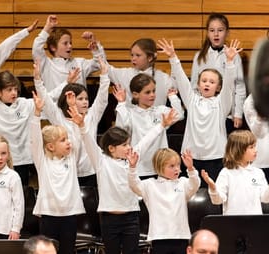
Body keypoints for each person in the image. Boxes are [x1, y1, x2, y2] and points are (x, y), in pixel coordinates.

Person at [69, 97, 177, 254]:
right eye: (124, 145)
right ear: (111, 148)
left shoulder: (132, 156)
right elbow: (88, 140)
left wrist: (162, 125)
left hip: (131, 217)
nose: (129, 147)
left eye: (129, 143)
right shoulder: (101, 160)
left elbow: (147, 140)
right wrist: (81, 125)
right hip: (108, 218)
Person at [157, 37, 240, 185]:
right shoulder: (192, 100)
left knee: (215, 196)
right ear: (198, 84)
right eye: (204, 81)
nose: (207, 84)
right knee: (191, 197)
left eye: (212, 82)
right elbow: (182, 81)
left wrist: (229, 61)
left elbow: (229, 85)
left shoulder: (222, 103)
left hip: (216, 158)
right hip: (191, 157)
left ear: (218, 87)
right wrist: (172, 57)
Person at [30, 74, 85, 254]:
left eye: (67, 139)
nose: (68, 143)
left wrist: (72, 109)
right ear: (51, 146)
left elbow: (77, 136)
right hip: (48, 215)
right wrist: (37, 114)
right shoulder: (43, 161)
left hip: (69, 215)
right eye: (63, 140)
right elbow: (35, 140)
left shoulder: (71, 157)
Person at [34, 56, 109, 186]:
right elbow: (45, 99)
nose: (85, 102)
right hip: (68, 170)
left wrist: (104, 75)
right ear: (68, 99)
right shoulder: (59, 117)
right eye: (80, 99)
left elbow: (102, 98)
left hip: (91, 171)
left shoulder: (92, 115)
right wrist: (37, 80)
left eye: (86, 99)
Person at [127, 148, 200, 253]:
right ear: (159, 167)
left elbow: (195, 184)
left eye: (178, 165)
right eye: (171, 166)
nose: (177, 169)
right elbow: (134, 185)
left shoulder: (183, 183)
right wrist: (132, 168)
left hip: (181, 236)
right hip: (159, 237)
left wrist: (190, 168)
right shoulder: (149, 185)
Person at [113, 73, 184, 178]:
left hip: (161, 168)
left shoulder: (161, 111)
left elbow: (179, 114)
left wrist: (173, 97)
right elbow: (120, 129)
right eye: (147, 92)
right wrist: (121, 103)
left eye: (153, 91)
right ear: (136, 94)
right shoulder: (130, 113)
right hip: (140, 169)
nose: (152, 95)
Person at [201, 130, 269, 215]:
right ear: (239, 150)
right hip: (233, 223)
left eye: (255, 146)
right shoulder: (226, 173)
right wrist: (212, 187)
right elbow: (217, 201)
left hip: (254, 222)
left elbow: (265, 199)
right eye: (251, 147)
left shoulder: (258, 173)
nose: (255, 150)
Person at [190, 12, 246, 132]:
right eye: (212, 30)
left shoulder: (234, 56)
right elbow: (194, 85)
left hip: (227, 114)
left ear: (227, 32)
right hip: (204, 113)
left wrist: (238, 113)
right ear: (207, 33)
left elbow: (239, 87)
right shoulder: (200, 56)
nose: (216, 34)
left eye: (220, 30)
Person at [32, 14, 105, 98]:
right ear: (53, 47)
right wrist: (47, 28)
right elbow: (36, 48)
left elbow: (100, 64)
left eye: (70, 43)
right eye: (65, 43)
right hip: (54, 110)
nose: (70, 46)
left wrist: (96, 47)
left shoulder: (79, 63)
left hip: (79, 110)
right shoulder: (46, 64)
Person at [108, 38, 178, 106]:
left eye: (138, 55)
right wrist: (97, 51)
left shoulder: (163, 78)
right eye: (132, 55)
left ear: (150, 58)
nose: (133, 59)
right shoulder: (124, 74)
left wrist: (173, 57)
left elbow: (176, 85)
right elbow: (105, 68)